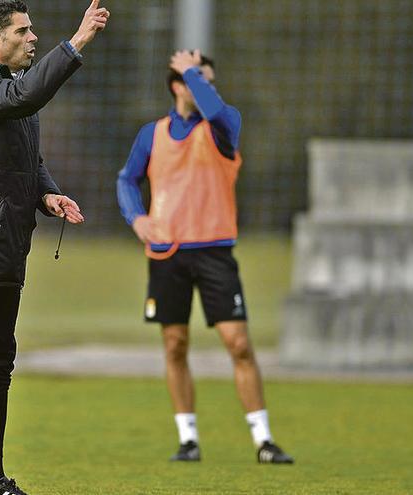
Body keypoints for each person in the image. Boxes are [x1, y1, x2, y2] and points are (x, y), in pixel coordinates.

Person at [0, 1, 109, 494]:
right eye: (23, 31)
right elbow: (20, 100)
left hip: (9, 245)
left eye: (34, 31)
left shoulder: (13, 86)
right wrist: (74, 45)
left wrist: (46, 193)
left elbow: (28, 152)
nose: (33, 38)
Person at [116, 49, 294, 464]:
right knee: (175, 344)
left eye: (207, 79)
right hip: (167, 253)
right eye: (196, 79)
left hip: (215, 251)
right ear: (178, 87)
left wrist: (191, 70)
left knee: (238, 344)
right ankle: (188, 438)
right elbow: (127, 179)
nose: (205, 86)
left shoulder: (223, 126)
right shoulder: (153, 134)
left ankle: (263, 440)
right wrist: (136, 218)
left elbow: (214, 106)